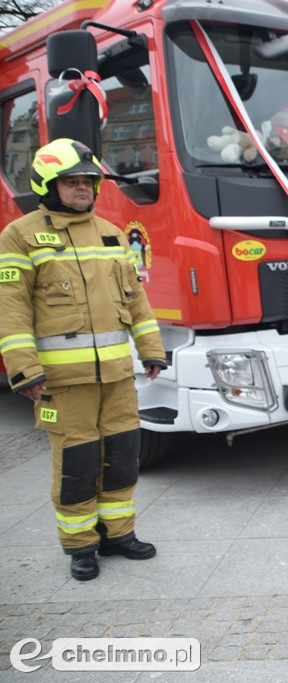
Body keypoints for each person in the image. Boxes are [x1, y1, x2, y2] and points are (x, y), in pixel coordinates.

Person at [0, 139, 167, 582]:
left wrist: (151, 350)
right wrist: (23, 369)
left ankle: (118, 534)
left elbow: (137, 300)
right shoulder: (20, 235)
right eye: (73, 182)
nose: (83, 189)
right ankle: (80, 546)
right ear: (48, 185)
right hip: (62, 382)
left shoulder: (112, 234)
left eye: (88, 182)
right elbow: (10, 308)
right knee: (77, 464)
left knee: (122, 455)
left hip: (116, 377)